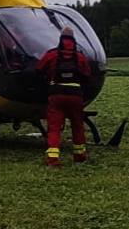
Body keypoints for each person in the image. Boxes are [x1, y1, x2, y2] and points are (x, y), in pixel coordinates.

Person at [36, 26, 93, 166]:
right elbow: (87, 75)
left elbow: (38, 69)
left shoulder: (52, 55)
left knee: (54, 127)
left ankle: (53, 159)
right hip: (75, 96)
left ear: (60, 39)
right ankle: (80, 157)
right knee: (77, 126)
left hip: (56, 95)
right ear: (74, 40)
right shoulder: (79, 56)